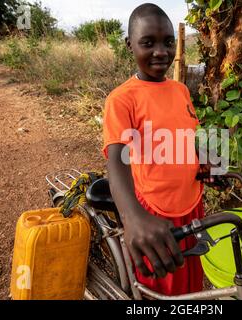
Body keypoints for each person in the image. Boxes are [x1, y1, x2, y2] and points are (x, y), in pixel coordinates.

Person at [102, 3, 215, 296]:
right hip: (154, 214)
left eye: (168, 42)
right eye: (148, 43)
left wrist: (204, 163)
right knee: (163, 287)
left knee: (192, 281)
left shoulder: (180, 90)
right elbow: (116, 162)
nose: (161, 52)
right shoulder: (122, 100)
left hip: (192, 206)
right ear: (129, 45)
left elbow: (185, 136)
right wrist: (133, 218)